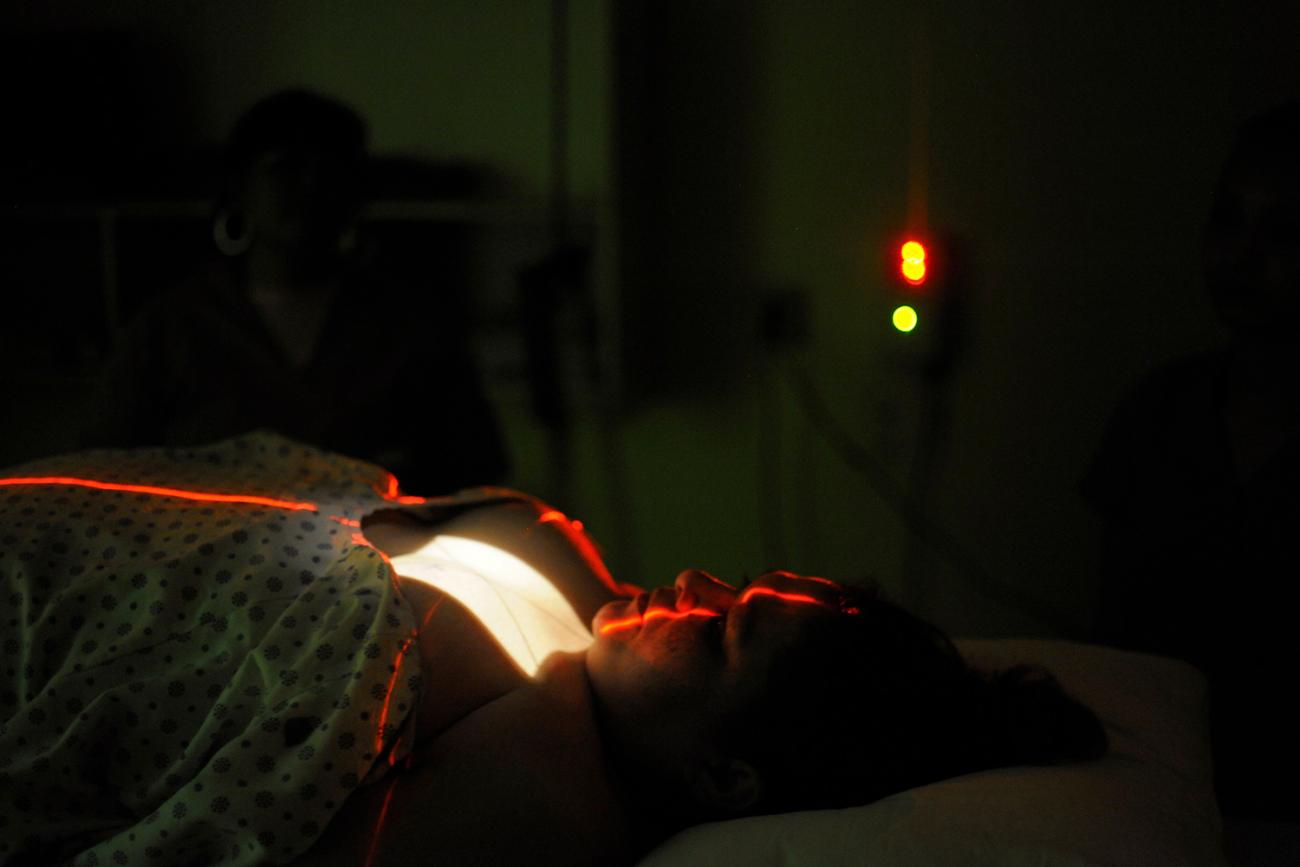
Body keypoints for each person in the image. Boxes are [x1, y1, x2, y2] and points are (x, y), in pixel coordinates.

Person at [0, 432, 1106, 866]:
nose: (695, 586)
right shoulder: (587, 605)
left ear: (723, 774)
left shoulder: (545, 785)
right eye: (733, 583)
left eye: (721, 629)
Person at [81, 89, 507, 493]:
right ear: (240, 188)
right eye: (286, 168)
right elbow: (101, 468)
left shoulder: (410, 322)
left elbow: (475, 463)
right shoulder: (171, 326)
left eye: (330, 171)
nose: (310, 187)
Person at [1082, 99, 1300, 825]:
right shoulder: (1160, 414)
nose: (1242, 255)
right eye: (1228, 218)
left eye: (1282, 229)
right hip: (1154, 803)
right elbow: (1113, 648)